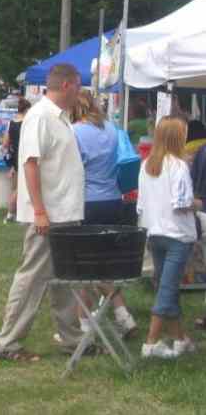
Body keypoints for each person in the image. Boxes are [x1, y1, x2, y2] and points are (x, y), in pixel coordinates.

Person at [0, 64, 88, 362]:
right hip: (49, 215)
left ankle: (72, 339)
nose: (81, 92)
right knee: (32, 278)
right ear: (69, 84)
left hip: (64, 213)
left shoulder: (59, 118)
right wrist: (40, 211)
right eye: (79, 86)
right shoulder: (41, 117)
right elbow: (30, 164)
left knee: (64, 280)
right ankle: (8, 343)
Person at [72, 91, 137, 337]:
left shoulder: (75, 132)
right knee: (103, 264)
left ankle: (84, 323)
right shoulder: (112, 129)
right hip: (113, 200)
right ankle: (123, 315)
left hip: (87, 202)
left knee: (83, 267)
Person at [137, 116, 200, 359]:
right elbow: (182, 203)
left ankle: (180, 338)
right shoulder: (179, 166)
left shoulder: (147, 164)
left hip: (155, 233)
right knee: (167, 290)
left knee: (167, 287)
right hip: (177, 235)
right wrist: (199, 203)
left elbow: (140, 205)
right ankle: (150, 343)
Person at [2, 97, 31, 224]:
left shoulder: (11, 122)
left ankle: (12, 213)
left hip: (14, 156)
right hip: (25, 156)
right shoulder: (28, 122)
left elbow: (5, 142)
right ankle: (13, 214)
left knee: (15, 187)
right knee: (23, 188)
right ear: (27, 109)